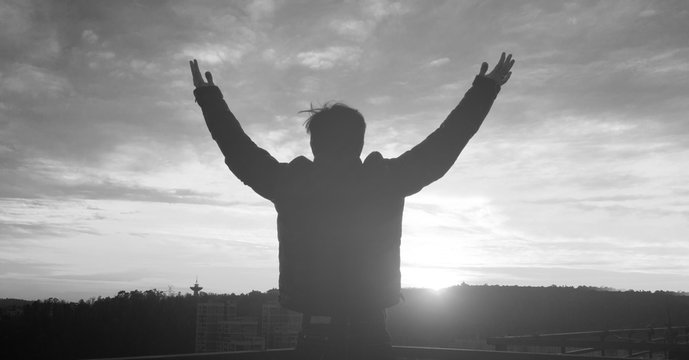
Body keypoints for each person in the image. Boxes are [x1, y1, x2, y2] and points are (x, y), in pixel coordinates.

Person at [190, 52, 514, 360]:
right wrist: (485, 89)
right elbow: (444, 144)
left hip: (314, 334)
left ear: (314, 143)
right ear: (360, 141)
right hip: (370, 334)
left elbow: (240, 151)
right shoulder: (386, 181)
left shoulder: (291, 184)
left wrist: (209, 98)